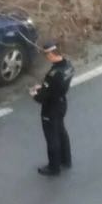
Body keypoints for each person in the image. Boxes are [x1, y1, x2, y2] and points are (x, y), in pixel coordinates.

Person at [30, 41, 74, 177]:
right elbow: (53, 87)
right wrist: (44, 88)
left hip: (51, 108)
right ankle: (66, 160)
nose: (46, 57)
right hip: (61, 103)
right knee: (61, 131)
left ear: (52, 54)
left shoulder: (54, 74)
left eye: (47, 54)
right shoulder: (68, 66)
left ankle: (54, 167)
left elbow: (43, 97)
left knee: (51, 137)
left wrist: (35, 94)